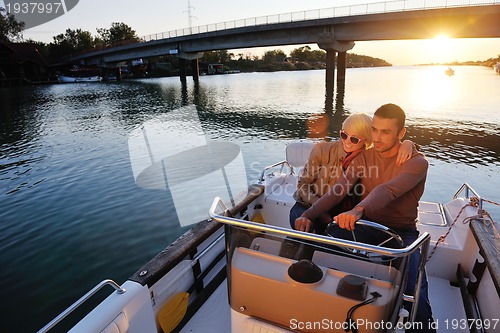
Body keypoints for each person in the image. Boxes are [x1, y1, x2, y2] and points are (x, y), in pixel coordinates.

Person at [295, 103, 435, 332]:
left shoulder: (417, 162)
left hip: (401, 232)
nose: (377, 138)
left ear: (401, 134)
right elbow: (338, 190)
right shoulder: (364, 158)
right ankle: (314, 312)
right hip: (363, 226)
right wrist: (309, 214)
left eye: (385, 132)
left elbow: (387, 190)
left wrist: (357, 210)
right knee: (319, 251)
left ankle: (423, 328)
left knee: (414, 290)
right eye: (374, 130)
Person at [289, 113, 413, 234]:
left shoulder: (368, 158)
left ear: (367, 140)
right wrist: (320, 210)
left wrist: (409, 144)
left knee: (341, 237)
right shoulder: (322, 150)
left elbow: (391, 148)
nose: (347, 141)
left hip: (342, 214)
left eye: (354, 139)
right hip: (307, 205)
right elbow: (302, 185)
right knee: (305, 227)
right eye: (344, 135)